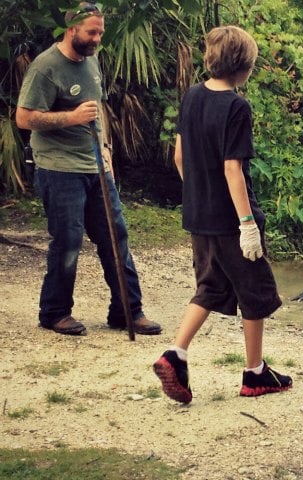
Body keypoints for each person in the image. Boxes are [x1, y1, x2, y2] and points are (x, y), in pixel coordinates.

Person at [152, 25, 292, 404]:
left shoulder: (192, 96)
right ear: (243, 66)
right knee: (256, 292)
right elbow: (234, 170)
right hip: (232, 220)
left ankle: (175, 353)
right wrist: (247, 224)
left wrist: (199, 195)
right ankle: (255, 373)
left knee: (210, 287)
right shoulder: (236, 106)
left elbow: (180, 156)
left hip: (199, 215)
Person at [15, 2, 161, 336]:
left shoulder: (93, 61)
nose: (97, 38)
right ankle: (54, 312)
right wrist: (70, 117)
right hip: (58, 167)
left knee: (115, 236)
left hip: (95, 165)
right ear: (71, 30)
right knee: (67, 240)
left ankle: (127, 310)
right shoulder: (46, 67)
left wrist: (106, 148)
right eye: (91, 32)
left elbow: (98, 111)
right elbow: (24, 117)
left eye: (100, 31)